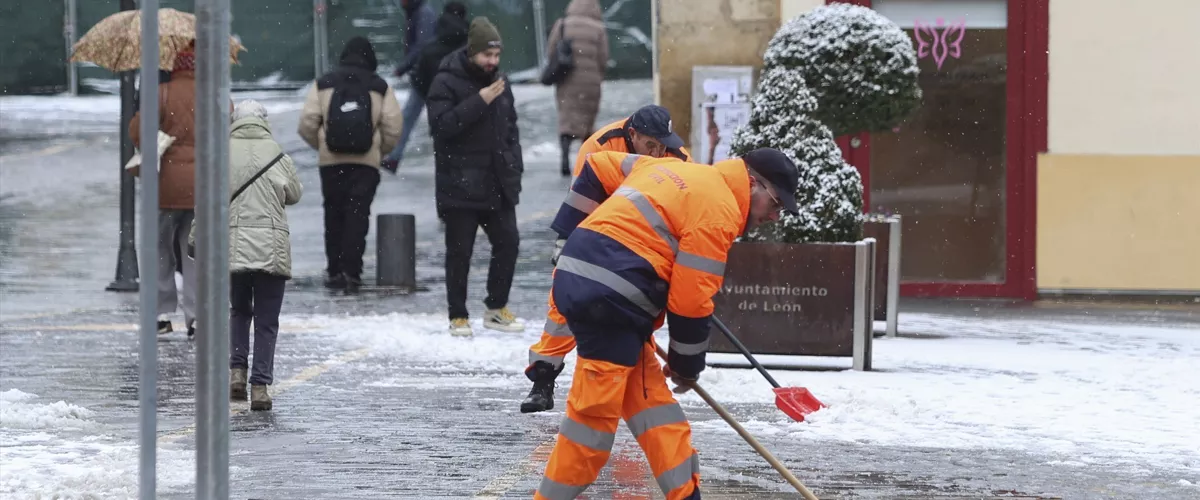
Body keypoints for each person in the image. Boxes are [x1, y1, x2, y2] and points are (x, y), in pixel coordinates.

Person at [533, 148, 800, 500]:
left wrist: (567, 235)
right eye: (777, 204)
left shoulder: (671, 168)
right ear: (753, 183)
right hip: (611, 299)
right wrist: (686, 366)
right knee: (591, 427)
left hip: (599, 286)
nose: (775, 217)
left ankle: (685, 495)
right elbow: (690, 302)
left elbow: (598, 166)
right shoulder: (718, 212)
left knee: (653, 407)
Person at [520, 104, 693, 413]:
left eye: (661, 145)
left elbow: (684, 208)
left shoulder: (678, 157)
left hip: (651, 243)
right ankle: (543, 378)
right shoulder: (598, 147)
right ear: (632, 135)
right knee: (564, 301)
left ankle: (634, 381)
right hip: (600, 230)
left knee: (641, 312)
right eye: (649, 145)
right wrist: (567, 244)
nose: (656, 154)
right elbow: (583, 200)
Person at [189, 100, 302, 411]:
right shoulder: (278, 154)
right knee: (267, 320)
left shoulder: (221, 154)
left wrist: (196, 236)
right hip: (271, 248)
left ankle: (237, 373)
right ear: (263, 121)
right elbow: (294, 194)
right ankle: (261, 388)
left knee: (239, 311)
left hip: (234, 247)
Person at [425, 17, 524, 337]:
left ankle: (496, 308)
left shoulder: (501, 83)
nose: (492, 62)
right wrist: (479, 101)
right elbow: (441, 127)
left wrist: (514, 167)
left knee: (508, 243)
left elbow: (511, 131)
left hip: (496, 183)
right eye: (486, 56)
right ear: (472, 53)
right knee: (459, 252)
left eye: (496, 56)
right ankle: (458, 315)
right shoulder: (445, 81)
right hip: (459, 184)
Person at [299, 36, 404, 294]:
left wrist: (323, 145)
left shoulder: (325, 83)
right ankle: (352, 271)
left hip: (331, 163)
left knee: (333, 214)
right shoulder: (379, 86)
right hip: (366, 164)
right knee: (358, 215)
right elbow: (393, 126)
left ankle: (334, 270)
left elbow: (307, 123)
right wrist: (378, 150)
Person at [129, 45, 199, 338]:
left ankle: (161, 313)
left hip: (165, 184)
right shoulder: (214, 93)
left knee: (159, 249)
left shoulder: (162, 93)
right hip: (201, 185)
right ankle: (198, 316)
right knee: (196, 252)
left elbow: (137, 130)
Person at [547, 0, 609, 176]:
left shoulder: (563, 24)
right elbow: (603, 57)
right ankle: (586, 161)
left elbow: (551, 50)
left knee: (566, 120)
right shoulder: (598, 28)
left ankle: (565, 157)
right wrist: (598, 75)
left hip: (567, 79)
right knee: (587, 121)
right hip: (591, 81)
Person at [381, 0, 439, 173]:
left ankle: (394, 158)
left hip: (428, 75)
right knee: (410, 117)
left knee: (435, 119)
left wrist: (404, 66)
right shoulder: (418, 11)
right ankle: (394, 158)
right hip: (424, 75)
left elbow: (423, 45)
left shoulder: (423, 13)